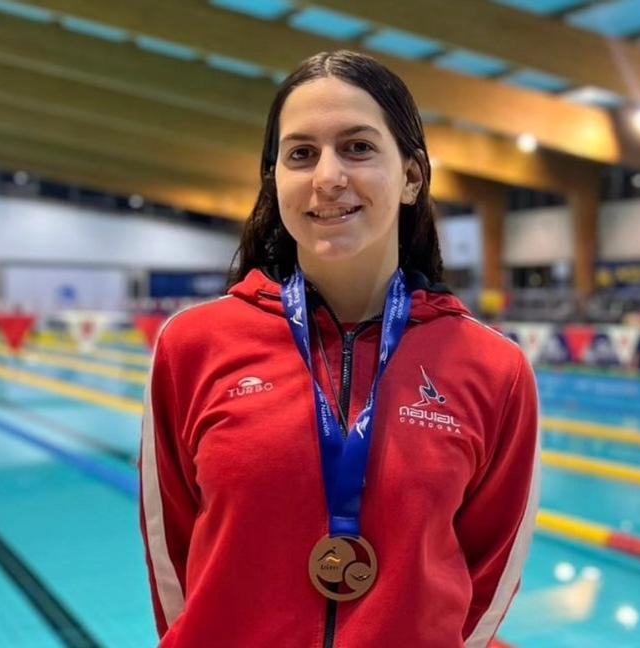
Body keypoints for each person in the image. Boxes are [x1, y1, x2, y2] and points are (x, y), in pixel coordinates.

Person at [139, 50, 540, 647]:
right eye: (301, 154)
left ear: (411, 177)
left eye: (357, 147)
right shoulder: (193, 345)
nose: (328, 177)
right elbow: (170, 562)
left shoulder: (493, 369)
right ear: (274, 181)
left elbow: (488, 580)